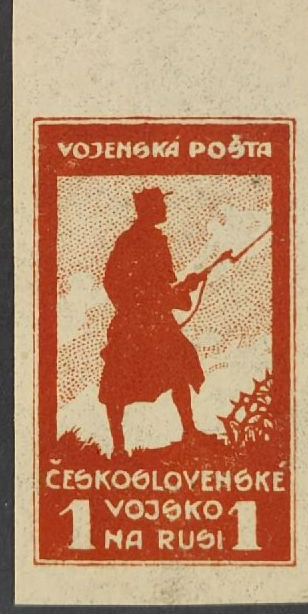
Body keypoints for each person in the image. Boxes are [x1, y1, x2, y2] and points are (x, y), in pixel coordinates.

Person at [98, 187, 205, 456]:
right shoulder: (129, 241)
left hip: (157, 319)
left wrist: (183, 288)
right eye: (160, 205)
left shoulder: (157, 239)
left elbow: (160, 286)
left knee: (179, 367)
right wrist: (134, 307)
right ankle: (118, 448)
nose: (165, 209)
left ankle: (190, 431)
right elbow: (112, 281)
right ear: (149, 209)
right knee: (117, 381)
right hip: (134, 323)